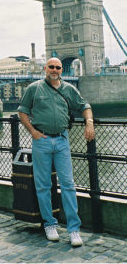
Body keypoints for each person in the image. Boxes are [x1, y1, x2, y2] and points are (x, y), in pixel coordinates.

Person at [18, 57, 95, 247]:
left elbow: (85, 106)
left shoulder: (69, 89)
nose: (54, 70)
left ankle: (74, 229)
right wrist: (33, 132)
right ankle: (49, 224)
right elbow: (23, 111)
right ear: (45, 68)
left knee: (68, 184)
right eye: (51, 67)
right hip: (41, 140)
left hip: (62, 140)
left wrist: (89, 122)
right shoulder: (34, 88)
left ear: (62, 70)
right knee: (43, 185)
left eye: (58, 67)